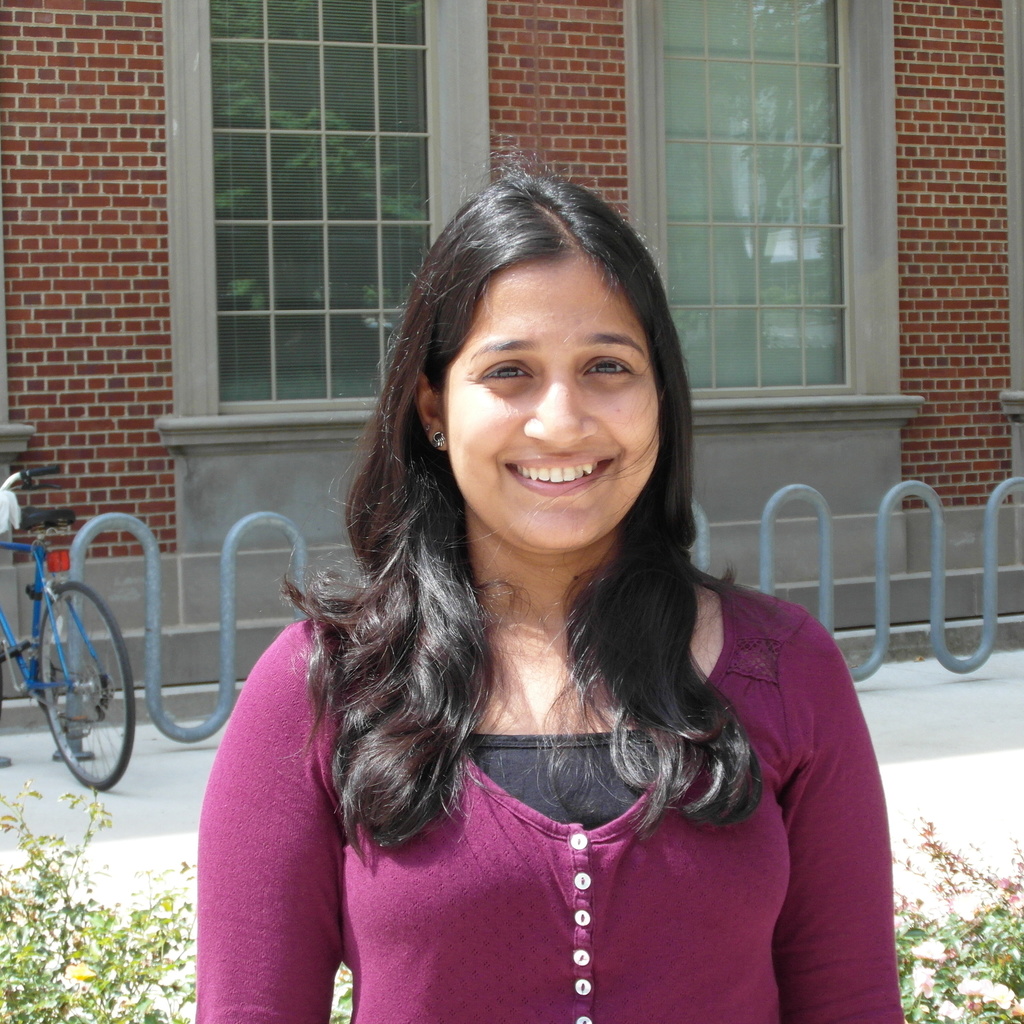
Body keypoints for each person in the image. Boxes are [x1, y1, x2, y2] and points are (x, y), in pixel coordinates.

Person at [197, 173, 903, 1024]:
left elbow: (852, 1004)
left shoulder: (788, 670)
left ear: (660, 398)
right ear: (433, 404)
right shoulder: (321, 689)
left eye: (608, 365)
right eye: (510, 372)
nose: (561, 422)